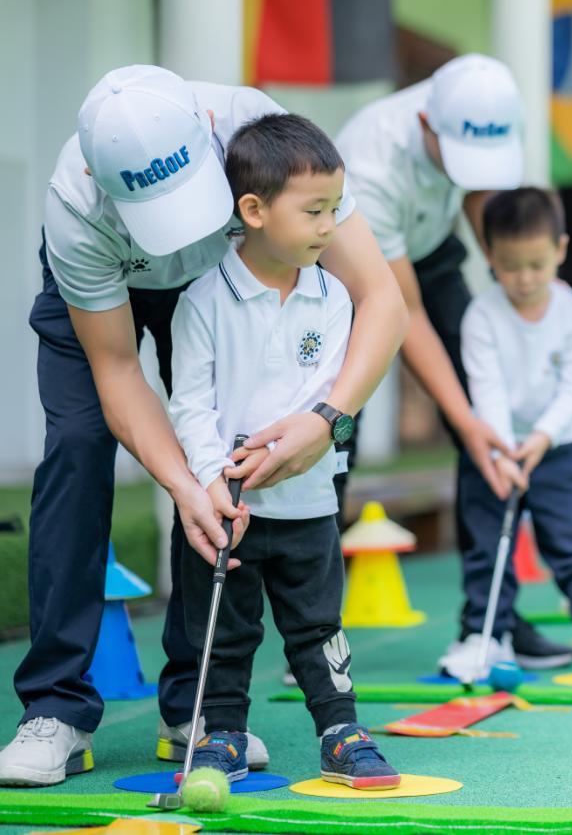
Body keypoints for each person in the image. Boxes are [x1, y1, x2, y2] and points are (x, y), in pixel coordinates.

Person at [0, 65, 405, 787]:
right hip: (104, 298)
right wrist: (189, 484)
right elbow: (119, 369)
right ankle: (55, 707)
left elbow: (380, 298)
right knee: (77, 448)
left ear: (207, 135)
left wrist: (327, 420)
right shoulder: (77, 204)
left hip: (215, 281)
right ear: (98, 175)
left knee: (230, 447)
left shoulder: (257, 132)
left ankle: (197, 708)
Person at [167, 114, 399, 788]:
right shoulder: (203, 299)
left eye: (335, 207)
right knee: (224, 632)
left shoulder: (334, 298)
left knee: (317, 623)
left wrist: (299, 444)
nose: (332, 225)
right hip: (225, 509)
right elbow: (190, 404)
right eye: (316, 210)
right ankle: (224, 735)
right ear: (255, 210)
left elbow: (324, 396)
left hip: (305, 501)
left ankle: (340, 729)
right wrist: (212, 479)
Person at [335, 54, 572, 671]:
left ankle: (491, 615)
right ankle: (314, 627)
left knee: (486, 407)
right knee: (339, 430)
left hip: (426, 245)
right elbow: (400, 310)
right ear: (426, 124)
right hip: (350, 270)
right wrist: (466, 420)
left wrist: (517, 284)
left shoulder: (483, 111)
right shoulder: (372, 162)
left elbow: (485, 208)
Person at [442, 188, 572, 680]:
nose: (524, 278)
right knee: (488, 547)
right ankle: (486, 636)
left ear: (561, 250)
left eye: (537, 264)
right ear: (489, 256)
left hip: (556, 449)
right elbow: (487, 387)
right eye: (510, 265)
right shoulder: (482, 314)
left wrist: (543, 436)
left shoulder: (571, 310)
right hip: (495, 452)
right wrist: (504, 450)